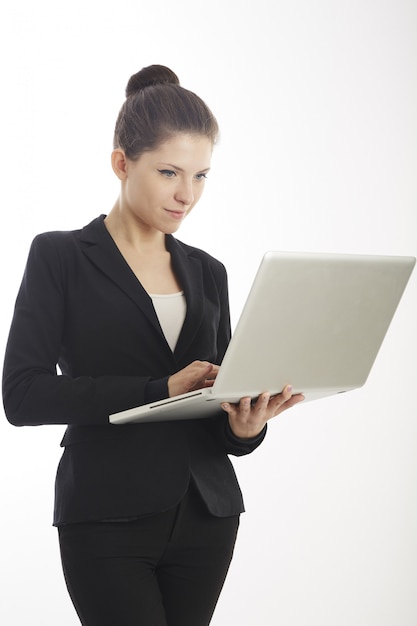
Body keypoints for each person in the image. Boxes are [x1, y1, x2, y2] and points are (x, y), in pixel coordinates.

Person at [2, 64, 304, 626]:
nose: (186, 194)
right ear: (122, 163)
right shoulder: (60, 256)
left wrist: (246, 425)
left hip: (208, 513)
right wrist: (158, 389)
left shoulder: (208, 272)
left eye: (201, 175)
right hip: (106, 515)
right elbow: (22, 396)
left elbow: (220, 404)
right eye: (169, 172)